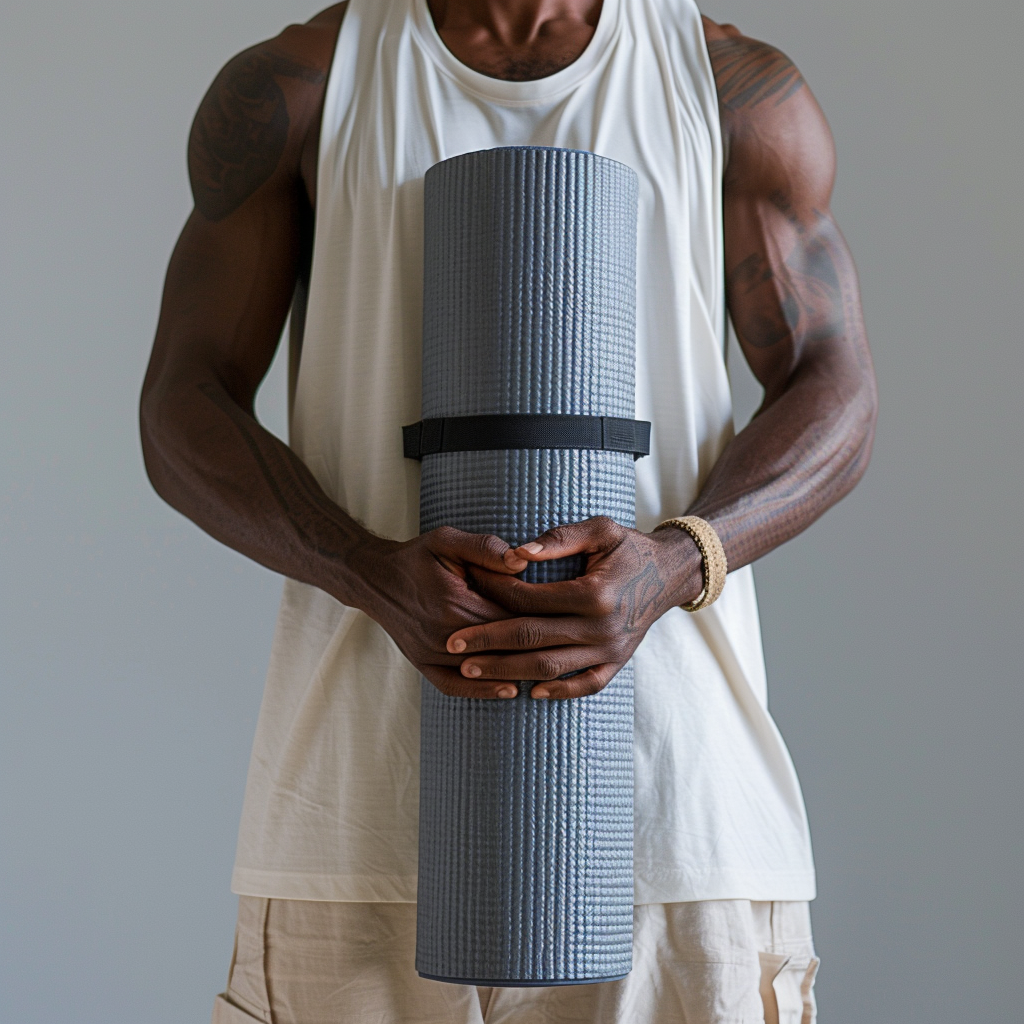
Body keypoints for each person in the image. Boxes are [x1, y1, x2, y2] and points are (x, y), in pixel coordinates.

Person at [140, 0, 876, 1020]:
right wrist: (365, 568)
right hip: (360, 822)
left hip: (671, 824)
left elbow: (836, 385)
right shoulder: (300, 86)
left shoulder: (731, 90)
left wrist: (672, 562)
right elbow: (181, 403)